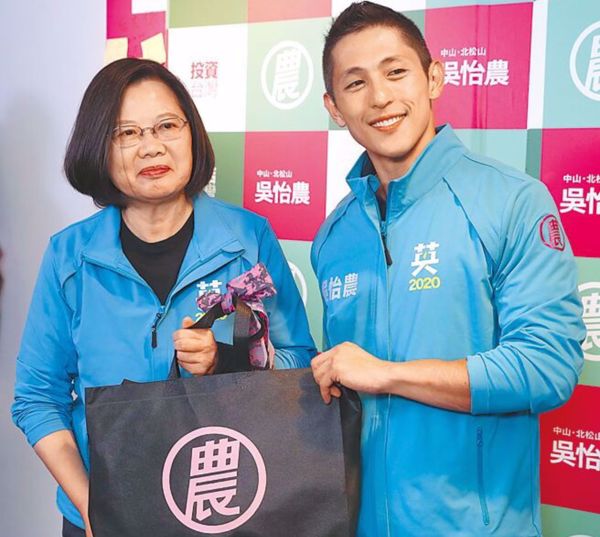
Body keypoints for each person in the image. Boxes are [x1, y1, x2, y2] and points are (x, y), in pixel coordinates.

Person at [310, 3, 585, 536]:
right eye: (355, 83)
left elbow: (548, 366)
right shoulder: (333, 235)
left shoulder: (512, 199)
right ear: (334, 107)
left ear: (433, 78)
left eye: (396, 72)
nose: (380, 97)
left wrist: (389, 374)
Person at [12, 58, 315, 537]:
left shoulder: (247, 239)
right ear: (99, 147)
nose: (151, 146)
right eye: (127, 133)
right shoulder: (69, 256)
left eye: (167, 126)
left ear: (192, 133)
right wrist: (93, 508)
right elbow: (37, 398)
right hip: (102, 515)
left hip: (224, 504)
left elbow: (301, 363)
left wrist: (227, 359)